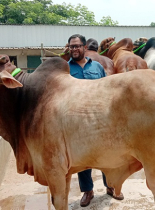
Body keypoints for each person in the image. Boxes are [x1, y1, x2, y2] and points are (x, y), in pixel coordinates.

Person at [60, 34, 124, 207]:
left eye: (77, 46)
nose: (74, 49)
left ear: (84, 47)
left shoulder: (97, 66)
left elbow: (106, 89)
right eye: (71, 46)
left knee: (105, 153)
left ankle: (110, 186)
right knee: (82, 159)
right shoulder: (64, 69)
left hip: (99, 118)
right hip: (76, 120)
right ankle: (88, 191)